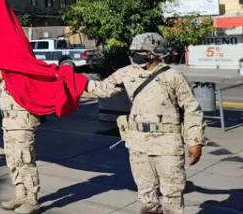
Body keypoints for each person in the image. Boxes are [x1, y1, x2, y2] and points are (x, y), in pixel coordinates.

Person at [85, 33, 205, 214]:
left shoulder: (173, 76)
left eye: (140, 51)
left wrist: (195, 140)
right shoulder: (127, 73)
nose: (135, 55)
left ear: (155, 53)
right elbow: (102, 89)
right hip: (138, 144)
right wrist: (70, 82)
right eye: (133, 51)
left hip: (167, 144)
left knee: (172, 194)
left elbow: (191, 109)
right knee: (146, 196)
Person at [0, 68, 41, 214]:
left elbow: (20, 86)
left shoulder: (22, 68)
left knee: (25, 161)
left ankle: (32, 200)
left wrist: (3, 76)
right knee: (12, 160)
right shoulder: (8, 69)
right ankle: (20, 194)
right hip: (9, 123)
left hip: (22, 123)